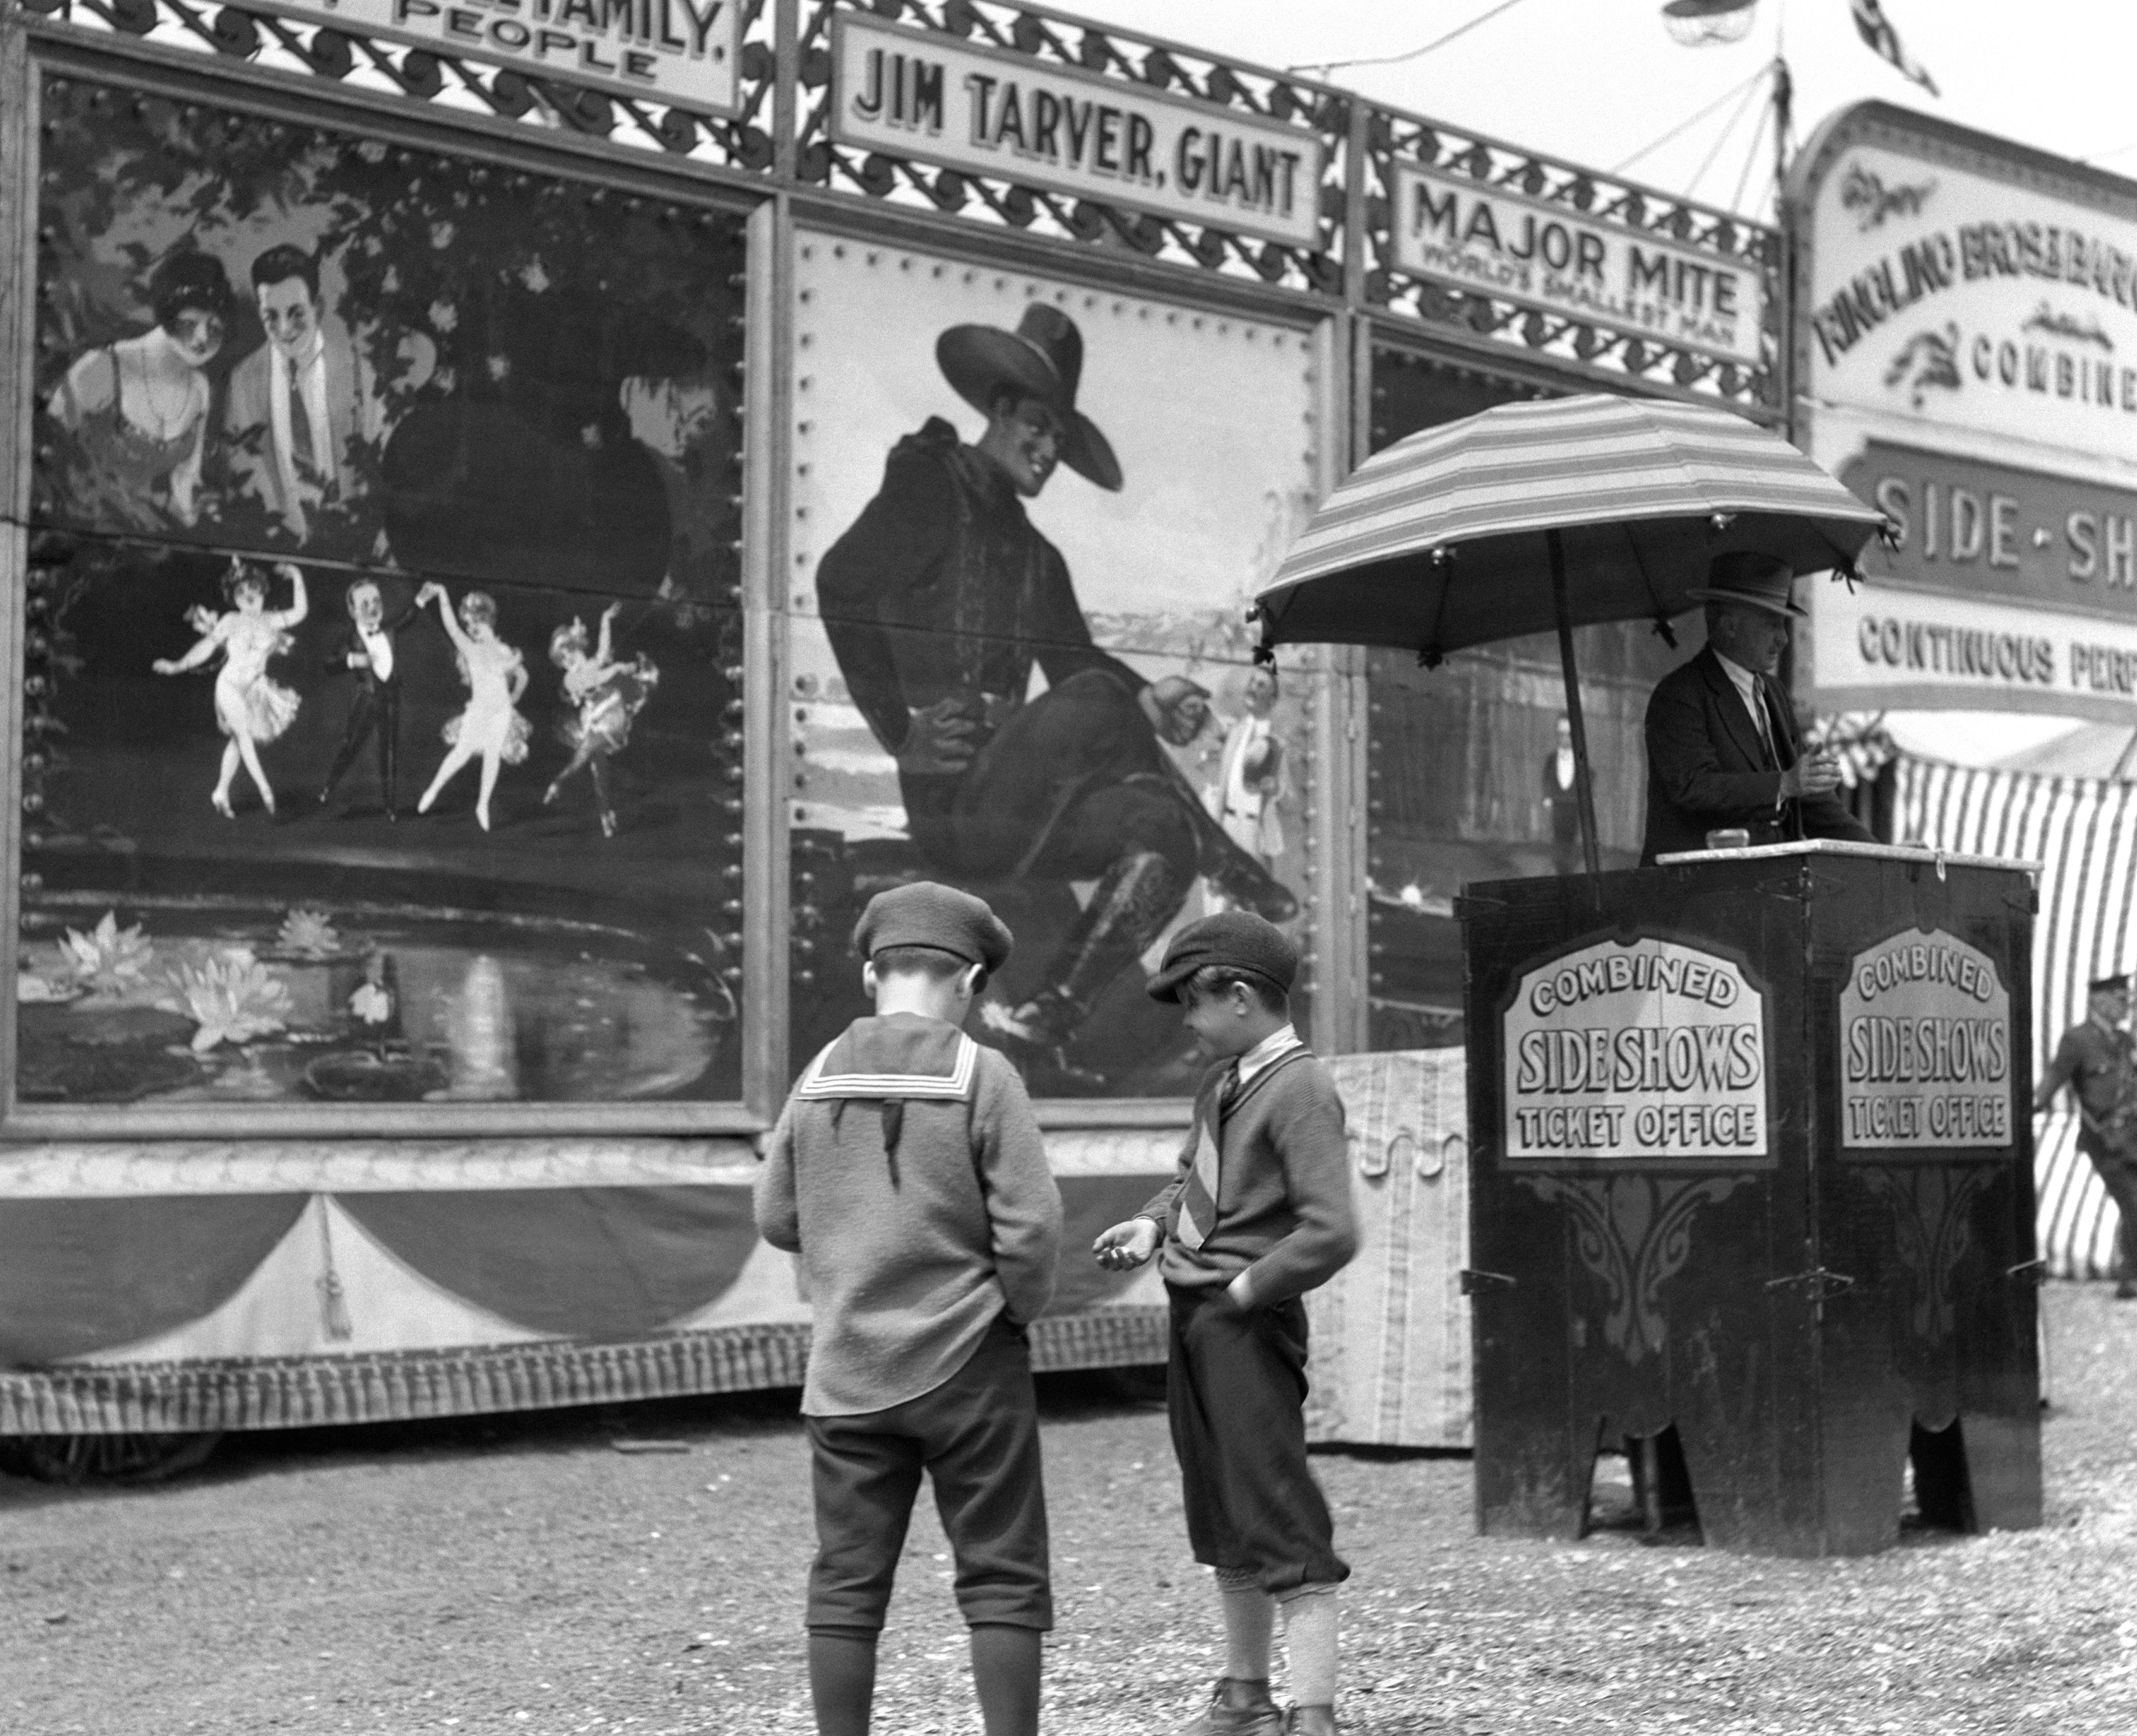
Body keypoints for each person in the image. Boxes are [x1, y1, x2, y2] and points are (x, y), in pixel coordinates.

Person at [816, 303, 1296, 1079]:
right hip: (954, 804)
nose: (1046, 450)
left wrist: (1152, 696)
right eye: (1036, 427)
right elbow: (840, 583)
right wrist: (899, 731)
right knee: (1108, 702)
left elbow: (1075, 663)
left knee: (1160, 830)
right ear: (1000, 410)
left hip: (1020, 811)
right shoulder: (929, 484)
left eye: (1059, 440)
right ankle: (1226, 855)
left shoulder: (1038, 556)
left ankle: (1052, 1011)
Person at [754, 882, 1063, 1736]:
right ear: (970, 982)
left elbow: (775, 1215)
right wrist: (1015, 1310)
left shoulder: (817, 1074)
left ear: (870, 975)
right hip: (971, 1362)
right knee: (1000, 1572)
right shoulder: (984, 1075)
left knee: (847, 1580)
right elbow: (1032, 1230)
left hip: (847, 1369)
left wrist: (847, 1249)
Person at [1092, 912, 1358, 1736]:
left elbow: (1332, 1229)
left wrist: (1246, 1290)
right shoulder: (1224, 1083)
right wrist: (1151, 1225)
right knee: (1221, 1507)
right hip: (1197, 1316)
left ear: (1239, 996)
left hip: (1243, 1322)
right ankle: (1246, 1698)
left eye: (1191, 1001)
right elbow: (1192, 1180)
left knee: (1277, 1506)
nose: (1185, 1020)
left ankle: (1313, 1712)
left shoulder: (1301, 1089)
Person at [1639, 551, 1874, 864]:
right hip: (1700, 886)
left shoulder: (1773, 693)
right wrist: (1784, 784)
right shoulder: (1680, 695)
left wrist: (1885, 855)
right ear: (1729, 625)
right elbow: (1694, 787)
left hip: (1768, 883)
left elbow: (1816, 806)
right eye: (1772, 624)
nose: (1783, 639)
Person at [46, 251, 233, 529]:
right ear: (168, 314)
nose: (203, 338)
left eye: (215, 328)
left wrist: (191, 514)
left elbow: (185, 478)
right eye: (190, 324)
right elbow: (47, 446)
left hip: (147, 531)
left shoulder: (200, 389)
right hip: (79, 524)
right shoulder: (105, 367)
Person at [223, 244, 391, 542]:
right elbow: (240, 471)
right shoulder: (243, 381)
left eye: (296, 313)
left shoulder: (361, 374)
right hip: (278, 542)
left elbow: (384, 467)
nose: (284, 329)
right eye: (271, 316)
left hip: (354, 539)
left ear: (319, 307)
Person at [152, 560, 308, 817]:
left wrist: (296, 575)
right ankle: (266, 790)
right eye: (241, 593)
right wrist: (177, 666)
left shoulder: (272, 620)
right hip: (229, 686)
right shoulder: (231, 620)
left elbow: (300, 612)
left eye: (254, 590)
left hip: (254, 689)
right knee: (244, 734)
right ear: (234, 598)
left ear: (263, 592)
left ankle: (221, 791)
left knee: (238, 740)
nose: (249, 597)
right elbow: (207, 647)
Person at [2035, 972, 2137, 1300]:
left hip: (2131, 1138)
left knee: (2133, 1203)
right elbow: (2054, 1077)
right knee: (2132, 1200)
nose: (2126, 1006)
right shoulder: (2077, 1040)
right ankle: (2130, 1278)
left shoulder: (2124, 1041)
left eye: (2127, 1000)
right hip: (2103, 1140)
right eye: (2120, 1000)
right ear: (2099, 1002)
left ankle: (2130, 1274)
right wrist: (2034, 1105)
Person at [414, 585, 529, 832]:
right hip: (479, 711)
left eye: (479, 623)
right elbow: (451, 627)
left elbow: (522, 675)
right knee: (461, 753)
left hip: (501, 712)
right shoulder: (470, 648)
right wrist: (443, 594)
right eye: (470, 625)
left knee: (492, 755)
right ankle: (432, 791)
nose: (473, 629)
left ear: (489, 622)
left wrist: (515, 696)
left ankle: (483, 805)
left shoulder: (503, 650)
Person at [543, 602, 661, 838]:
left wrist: (606, 619)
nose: (570, 660)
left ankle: (558, 783)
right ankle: (606, 816)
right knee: (599, 770)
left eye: (572, 653)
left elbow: (603, 650)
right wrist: (617, 667)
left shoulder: (590, 664)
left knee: (586, 751)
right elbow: (597, 678)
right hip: (594, 718)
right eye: (564, 659)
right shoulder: (570, 680)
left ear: (578, 649)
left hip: (611, 714)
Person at [316, 579, 423, 820]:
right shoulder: (350, 638)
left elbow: (408, 618)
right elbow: (329, 665)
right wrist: (353, 660)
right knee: (351, 745)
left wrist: (421, 600)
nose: (373, 608)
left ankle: (390, 806)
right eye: (365, 604)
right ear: (352, 611)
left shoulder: (389, 630)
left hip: (391, 697)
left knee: (390, 751)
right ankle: (328, 788)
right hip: (367, 698)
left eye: (376, 601)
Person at [1204, 665, 1288, 895]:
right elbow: (1224, 784)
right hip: (1230, 825)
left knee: (1254, 898)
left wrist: (1274, 789)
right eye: (1252, 682)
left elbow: (1285, 791)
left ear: (1272, 700)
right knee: (1222, 898)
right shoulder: (1237, 732)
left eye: (1261, 685)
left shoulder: (1277, 741)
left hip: (1256, 830)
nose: (1253, 688)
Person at [1541, 715, 1581, 877]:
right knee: (1558, 836)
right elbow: (1547, 777)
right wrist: (1547, 797)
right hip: (1558, 803)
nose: (1565, 739)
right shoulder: (1552, 759)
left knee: (1571, 836)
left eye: (1569, 735)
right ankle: (1559, 869)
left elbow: (1586, 778)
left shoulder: (1580, 758)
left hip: (1573, 803)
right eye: (1561, 734)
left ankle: (1568, 870)